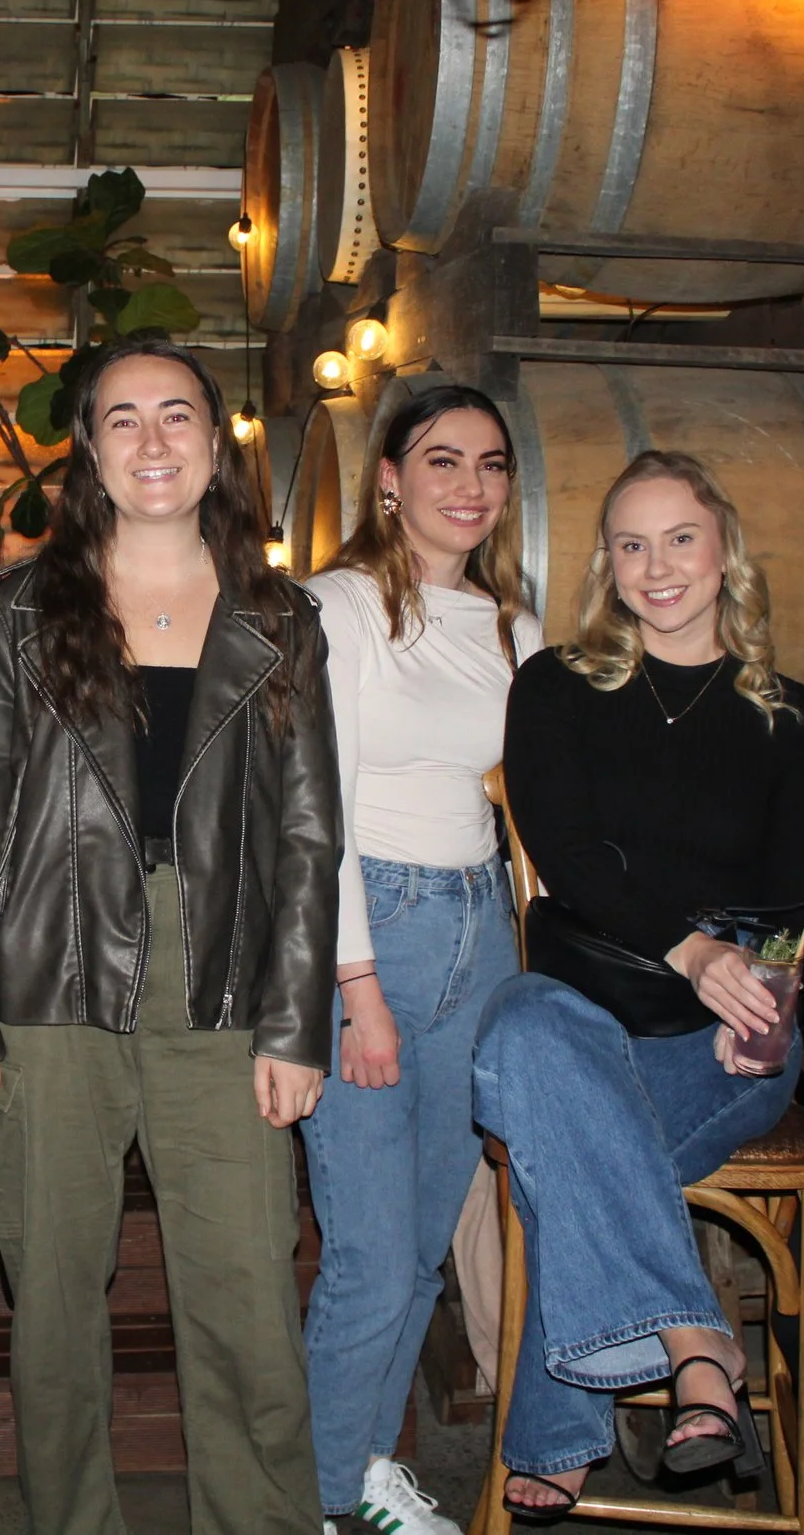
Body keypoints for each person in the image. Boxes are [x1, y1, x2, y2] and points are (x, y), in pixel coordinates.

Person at [0, 335, 341, 1535]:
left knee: (248, 1295)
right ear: (90, 456)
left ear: (216, 445)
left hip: (225, 978)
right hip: (45, 973)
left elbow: (310, 838)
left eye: (176, 416)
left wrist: (296, 1022)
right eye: (121, 420)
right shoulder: (17, 607)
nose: (151, 441)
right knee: (52, 1300)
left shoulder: (282, 617)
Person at [480, 450, 804, 1521]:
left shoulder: (783, 710)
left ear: (723, 545)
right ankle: (699, 1338)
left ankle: (558, 1431)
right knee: (529, 1030)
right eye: (630, 543)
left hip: (712, 1038)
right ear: (605, 561)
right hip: (575, 1009)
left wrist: (770, 1003)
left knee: (566, 1152)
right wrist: (691, 946)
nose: (656, 565)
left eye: (678, 537)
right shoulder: (557, 682)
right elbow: (569, 852)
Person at [299, 384, 539, 1535]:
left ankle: (358, 1467)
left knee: (430, 1242)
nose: (469, 485)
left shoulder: (510, 628)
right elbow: (315, 810)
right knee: (370, 1255)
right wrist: (354, 989)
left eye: (489, 464)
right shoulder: (334, 607)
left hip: (478, 928)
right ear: (386, 477)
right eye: (441, 460)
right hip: (368, 930)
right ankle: (310, 1492)